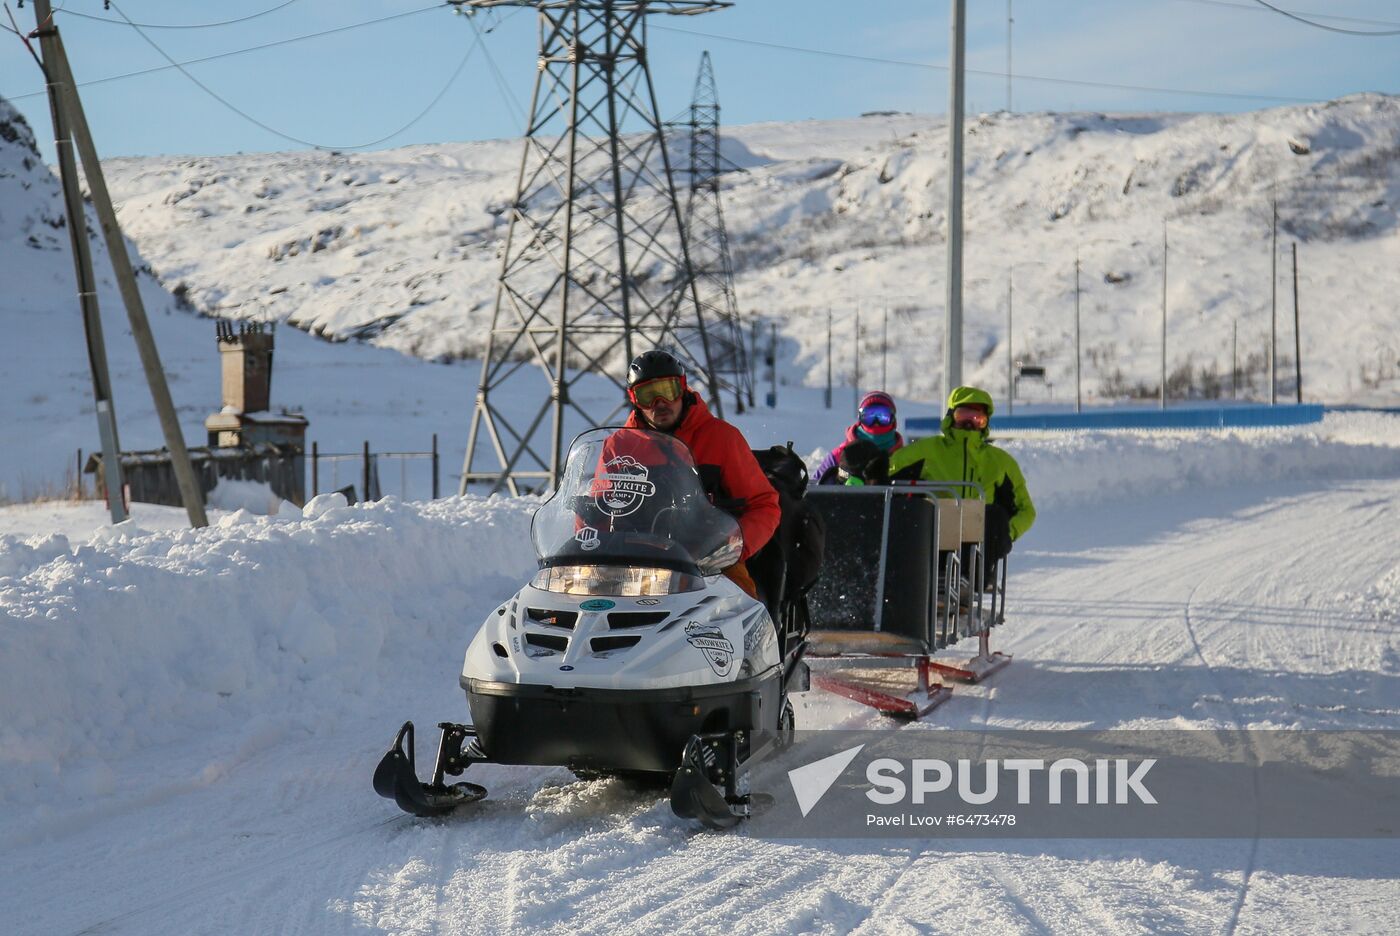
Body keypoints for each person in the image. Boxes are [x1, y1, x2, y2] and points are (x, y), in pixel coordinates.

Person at [620, 349, 780, 599]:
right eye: (647, 395)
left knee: (740, 606)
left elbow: (764, 505)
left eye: (667, 390)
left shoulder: (721, 438)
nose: (659, 403)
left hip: (709, 561)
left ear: (682, 388)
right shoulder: (619, 446)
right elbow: (598, 508)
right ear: (634, 399)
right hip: (636, 562)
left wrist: (733, 547)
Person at [880, 386, 1035, 582]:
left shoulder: (1000, 462)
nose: (970, 423)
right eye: (963, 416)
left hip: (978, 549)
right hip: (932, 541)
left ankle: (967, 579)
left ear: (985, 423)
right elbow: (884, 473)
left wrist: (1006, 534)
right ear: (951, 416)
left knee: (994, 515)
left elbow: (1026, 510)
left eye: (978, 418)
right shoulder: (927, 451)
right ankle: (930, 578)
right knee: (915, 508)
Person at [812, 391, 905, 485]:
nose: (876, 422)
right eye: (869, 416)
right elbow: (813, 489)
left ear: (893, 419)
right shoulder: (839, 455)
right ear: (860, 418)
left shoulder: (904, 457)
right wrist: (841, 477)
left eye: (883, 416)